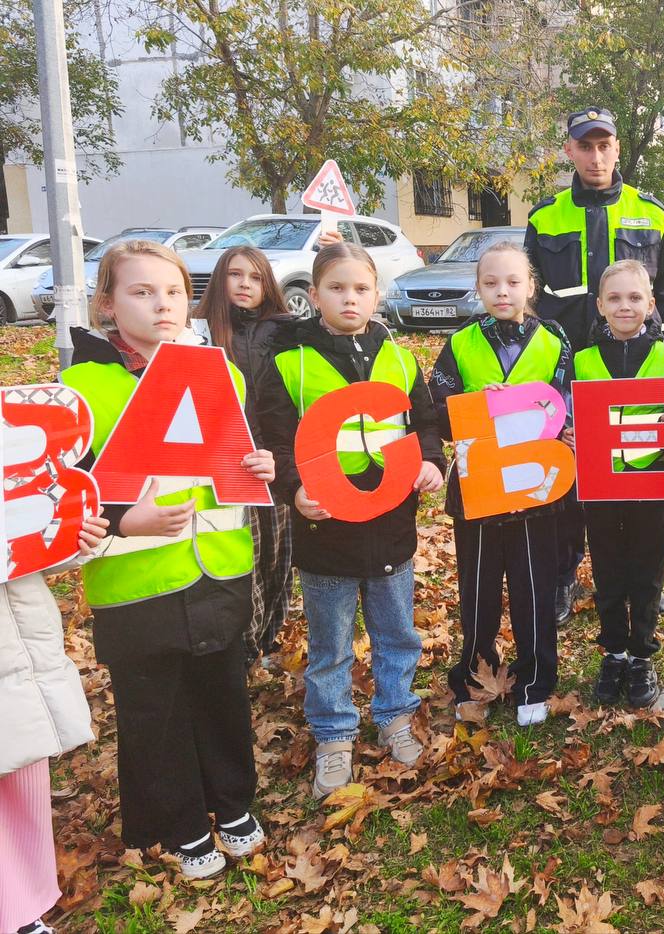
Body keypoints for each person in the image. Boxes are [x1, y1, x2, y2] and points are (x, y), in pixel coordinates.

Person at [61, 240, 275, 878]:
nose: (161, 305)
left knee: (221, 690)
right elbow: (67, 490)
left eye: (174, 292)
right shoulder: (80, 388)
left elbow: (231, 462)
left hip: (218, 564)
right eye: (141, 292)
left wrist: (256, 465)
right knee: (156, 707)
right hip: (137, 578)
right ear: (107, 303)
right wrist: (128, 520)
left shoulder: (221, 374)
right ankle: (180, 821)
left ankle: (231, 801)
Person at [256, 242, 445, 798]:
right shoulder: (289, 362)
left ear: (377, 295)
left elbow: (424, 420)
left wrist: (431, 460)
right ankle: (335, 734)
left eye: (361, 288)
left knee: (397, 633)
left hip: (390, 523)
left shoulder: (400, 356)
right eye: (337, 288)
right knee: (331, 643)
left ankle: (393, 715)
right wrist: (295, 492)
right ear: (314, 295)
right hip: (326, 530)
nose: (350, 298)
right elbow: (274, 439)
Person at [525, 106, 664, 626]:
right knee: (572, 478)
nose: (596, 155)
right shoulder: (544, 216)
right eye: (585, 146)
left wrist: (660, 369)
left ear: (617, 148)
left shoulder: (652, 212)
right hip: (570, 367)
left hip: (638, 367)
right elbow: (531, 296)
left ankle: (645, 581)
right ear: (569, 150)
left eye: (604, 145)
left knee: (641, 476)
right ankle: (567, 575)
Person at [427, 241, 574, 727]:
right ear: (478, 288)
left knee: (534, 588)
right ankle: (475, 674)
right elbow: (439, 409)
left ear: (531, 285)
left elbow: (567, 404)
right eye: (490, 283)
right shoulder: (461, 342)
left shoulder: (555, 339)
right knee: (478, 589)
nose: (502, 291)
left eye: (513, 281)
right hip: (478, 488)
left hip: (537, 490)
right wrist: (475, 402)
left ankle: (535, 681)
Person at [569, 259, 664, 708]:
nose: (624, 306)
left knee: (648, 568)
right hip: (600, 481)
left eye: (635, 297)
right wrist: (569, 429)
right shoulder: (581, 359)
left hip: (650, 479)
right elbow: (564, 412)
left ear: (651, 304)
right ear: (599, 305)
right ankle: (614, 650)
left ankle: (642, 654)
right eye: (614, 298)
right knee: (609, 567)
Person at [1, 516, 109, 934]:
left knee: (22, 779)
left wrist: (67, 535)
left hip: (17, 647)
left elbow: (26, 545)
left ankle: (22, 909)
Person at [194, 246, 295, 663]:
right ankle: (245, 645)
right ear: (221, 279)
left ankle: (268, 639)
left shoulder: (286, 329)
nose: (245, 285)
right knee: (244, 558)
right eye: (236, 275)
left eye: (255, 277)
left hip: (274, 456)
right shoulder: (199, 332)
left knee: (277, 557)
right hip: (226, 462)